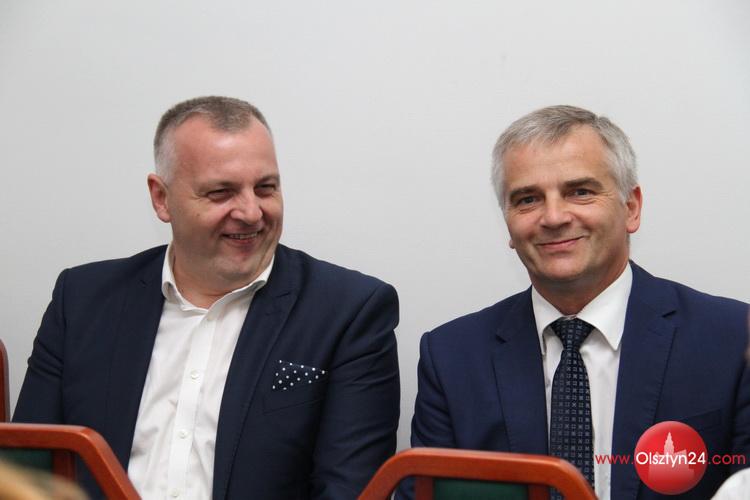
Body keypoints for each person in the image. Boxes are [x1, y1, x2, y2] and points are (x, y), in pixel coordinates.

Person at [14, 96, 400, 500]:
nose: (251, 212)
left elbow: (347, 490)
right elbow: (28, 473)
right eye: (221, 192)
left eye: (265, 188)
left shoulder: (349, 312)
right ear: (161, 198)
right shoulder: (81, 301)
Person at [403, 105, 749, 499]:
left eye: (580, 192)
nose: (553, 217)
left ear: (631, 207)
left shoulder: (732, 340)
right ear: (508, 225)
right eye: (528, 199)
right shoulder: (452, 358)